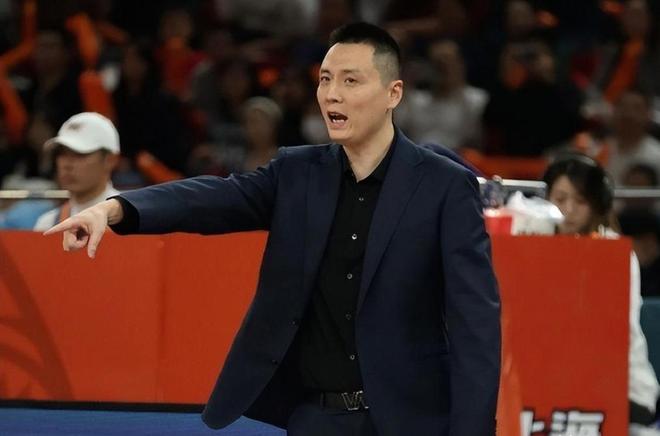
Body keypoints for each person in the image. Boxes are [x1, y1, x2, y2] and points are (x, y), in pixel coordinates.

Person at [45, 23, 501, 436]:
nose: (332, 94)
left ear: (393, 94)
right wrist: (116, 209)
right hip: (315, 419)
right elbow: (213, 198)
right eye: (325, 79)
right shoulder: (297, 174)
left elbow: (474, 327)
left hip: (411, 420)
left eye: (351, 81)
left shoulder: (444, 186)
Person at [543, 154, 660, 435]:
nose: (568, 210)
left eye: (580, 201)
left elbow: (611, 330)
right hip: (548, 379)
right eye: (559, 199)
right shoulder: (532, 240)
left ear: (597, 205)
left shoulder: (614, 252)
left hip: (620, 384)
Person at [33, 112, 120, 232]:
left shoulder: (134, 220)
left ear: (110, 160)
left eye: (80, 154)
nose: (66, 164)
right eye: (62, 153)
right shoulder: (47, 223)